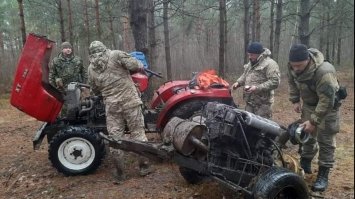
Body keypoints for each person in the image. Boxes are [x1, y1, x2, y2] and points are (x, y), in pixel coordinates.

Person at [87, 41, 152, 181]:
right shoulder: (115, 55)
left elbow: (94, 89)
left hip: (112, 107)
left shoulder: (91, 68)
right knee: (138, 133)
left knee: (115, 138)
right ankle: (144, 167)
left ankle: (120, 173)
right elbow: (136, 65)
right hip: (130, 102)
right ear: (104, 48)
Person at [287, 44, 340, 192]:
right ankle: (305, 164)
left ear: (308, 60)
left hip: (328, 108)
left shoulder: (324, 72)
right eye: (293, 65)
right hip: (309, 105)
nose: (296, 68)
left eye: (299, 65)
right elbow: (292, 81)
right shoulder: (292, 66)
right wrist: (295, 99)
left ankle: (323, 174)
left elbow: (327, 101)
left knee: (326, 140)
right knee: (307, 136)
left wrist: (313, 121)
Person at [231, 42, 280, 119]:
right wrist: (238, 83)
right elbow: (245, 75)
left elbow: (275, 82)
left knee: (261, 128)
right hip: (249, 103)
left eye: (252, 55)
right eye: (249, 54)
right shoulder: (251, 63)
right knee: (248, 127)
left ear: (259, 54)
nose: (250, 57)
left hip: (263, 105)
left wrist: (257, 88)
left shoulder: (270, 64)